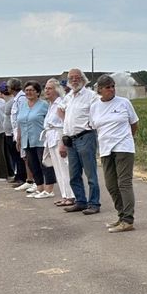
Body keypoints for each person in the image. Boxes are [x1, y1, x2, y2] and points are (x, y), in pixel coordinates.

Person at [91, 74, 139, 232]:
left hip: (123, 147)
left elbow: (134, 123)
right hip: (106, 148)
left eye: (113, 86)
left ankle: (128, 219)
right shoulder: (95, 106)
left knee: (123, 183)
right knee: (111, 184)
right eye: (107, 87)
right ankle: (121, 215)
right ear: (100, 90)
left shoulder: (124, 103)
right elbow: (94, 126)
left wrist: (127, 138)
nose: (111, 89)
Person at [60, 68, 101, 215]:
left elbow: (97, 113)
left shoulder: (91, 96)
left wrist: (91, 126)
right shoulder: (69, 96)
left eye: (77, 77)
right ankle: (80, 201)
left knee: (90, 173)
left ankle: (94, 203)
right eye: (71, 78)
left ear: (83, 79)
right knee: (74, 173)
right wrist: (65, 133)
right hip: (71, 139)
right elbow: (62, 112)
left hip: (85, 136)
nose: (74, 80)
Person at [18, 81, 55, 199]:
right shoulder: (23, 105)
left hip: (40, 139)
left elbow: (50, 121)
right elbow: (20, 122)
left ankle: (49, 189)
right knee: (32, 164)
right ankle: (39, 187)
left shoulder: (44, 105)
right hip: (26, 139)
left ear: (38, 92)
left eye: (31, 90)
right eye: (27, 90)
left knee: (44, 164)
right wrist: (18, 138)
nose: (29, 92)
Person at [42, 78, 75, 207]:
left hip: (59, 136)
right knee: (57, 169)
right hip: (51, 137)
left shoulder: (61, 103)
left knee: (64, 168)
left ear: (56, 90)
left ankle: (71, 195)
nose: (46, 91)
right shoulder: (51, 105)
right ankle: (64, 195)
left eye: (49, 88)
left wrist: (63, 143)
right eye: (45, 88)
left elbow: (64, 124)